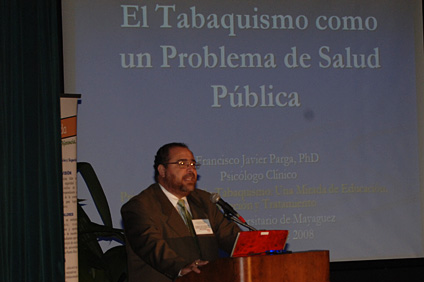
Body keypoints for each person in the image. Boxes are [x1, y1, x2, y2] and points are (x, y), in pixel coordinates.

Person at [121, 142, 241, 282]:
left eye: (193, 164)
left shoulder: (204, 201)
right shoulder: (140, 206)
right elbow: (152, 246)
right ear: (162, 170)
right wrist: (181, 267)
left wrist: (259, 244)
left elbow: (230, 236)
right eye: (182, 164)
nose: (190, 170)